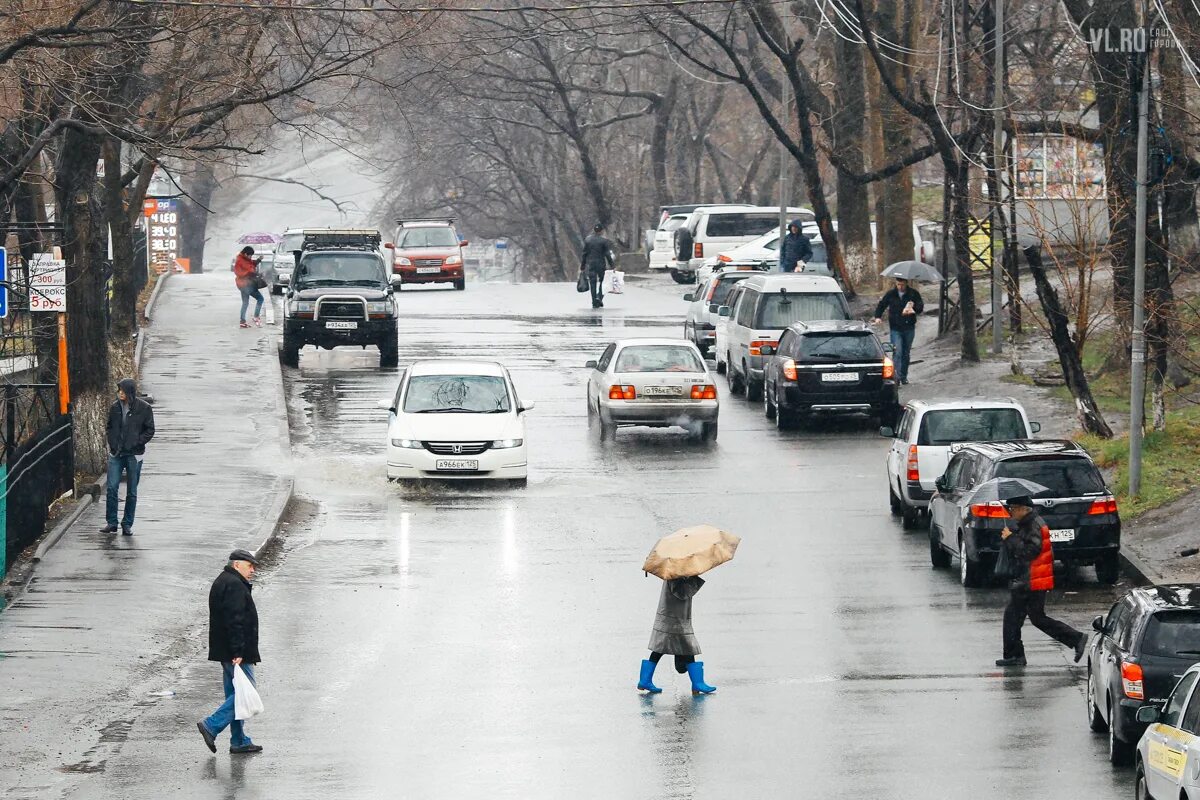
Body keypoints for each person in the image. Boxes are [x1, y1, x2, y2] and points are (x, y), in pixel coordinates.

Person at [995, 495, 1087, 668]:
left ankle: (1015, 656)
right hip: (1033, 579)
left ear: (1023, 509)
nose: (1010, 512)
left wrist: (1010, 538)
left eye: (1013, 508)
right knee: (1034, 618)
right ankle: (1075, 638)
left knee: (1013, 617)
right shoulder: (1030, 523)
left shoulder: (1032, 524)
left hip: (1030, 580)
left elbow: (1030, 551)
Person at [197, 549, 263, 755]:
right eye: (249, 565)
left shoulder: (225, 580)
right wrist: (238, 651)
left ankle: (239, 740)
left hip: (227, 650)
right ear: (236, 564)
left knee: (236, 694)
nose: (252, 569)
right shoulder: (234, 585)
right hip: (236, 652)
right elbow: (235, 621)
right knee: (245, 694)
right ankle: (211, 725)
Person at [637, 576, 716, 695]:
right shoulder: (675, 572)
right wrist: (693, 580)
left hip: (674, 617)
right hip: (675, 619)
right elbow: (682, 593)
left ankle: (645, 680)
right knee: (687, 647)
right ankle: (697, 684)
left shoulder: (675, 569)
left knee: (661, 648)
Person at [102, 378, 155, 536]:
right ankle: (112, 522)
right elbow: (110, 426)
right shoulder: (115, 407)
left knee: (131, 491)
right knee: (111, 488)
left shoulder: (143, 408)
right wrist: (112, 443)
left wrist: (137, 443)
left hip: (134, 455)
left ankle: (127, 524)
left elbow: (150, 429)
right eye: (119, 390)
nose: (120, 393)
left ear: (129, 392)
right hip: (117, 453)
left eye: (122, 391)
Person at [872, 277, 924, 385]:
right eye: (898, 284)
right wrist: (878, 316)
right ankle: (896, 377)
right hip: (895, 327)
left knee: (906, 352)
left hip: (909, 326)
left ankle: (903, 376)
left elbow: (920, 307)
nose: (900, 287)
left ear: (906, 283)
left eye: (902, 285)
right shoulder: (891, 294)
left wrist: (913, 309)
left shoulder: (913, 294)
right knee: (897, 351)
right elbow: (882, 305)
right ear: (896, 284)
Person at [579, 224, 615, 309]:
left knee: (592, 283)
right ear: (601, 231)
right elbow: (607, 254)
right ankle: (599, 297)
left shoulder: (588, 240)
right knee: (604, 281)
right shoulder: (604, 241)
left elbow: (584, 254)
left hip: (591, 264)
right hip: (601, 264)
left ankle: (594, 301)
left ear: (594, 230)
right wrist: (612, 265)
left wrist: (583, 265)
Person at [233, 246, 265, 328]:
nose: (251, 257)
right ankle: (256, 316)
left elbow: (251, 264)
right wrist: (252, 273)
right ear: (246, 254)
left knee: (245, 303)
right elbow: (240, 272)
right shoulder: (240, 260)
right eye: (250, 255)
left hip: (245, 284)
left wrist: (258, 260)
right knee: (260, 298)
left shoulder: (245, 259)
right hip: (245, 284)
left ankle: (242, 321)